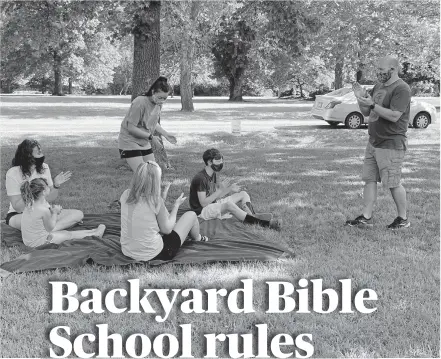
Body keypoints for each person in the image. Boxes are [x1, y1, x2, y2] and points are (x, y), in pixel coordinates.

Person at [346, 55, 411, 230]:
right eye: (378, 70)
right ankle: (366, 217)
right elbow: (367, 112)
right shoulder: (379, 86)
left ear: (393, 69)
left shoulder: (402, 88)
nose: (378, 73)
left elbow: (394, 115)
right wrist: (361, 98)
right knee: (369, 180)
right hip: (373, 142)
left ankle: (403, 219)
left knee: (392, 183)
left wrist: (373, 104)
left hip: (390, 143)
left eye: (381, 70)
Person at [120, 162, 208, 262]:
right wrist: (176, 206)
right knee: (191, 215)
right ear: (155, 181)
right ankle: (198, 238)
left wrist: (162, 200)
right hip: (155, 254)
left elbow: (145, 213)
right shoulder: (156, 201)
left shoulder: (125, 194)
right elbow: (167, 230)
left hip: (127, 251)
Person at [189, 148, 282, 231]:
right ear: (209, 162)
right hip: (202, 211)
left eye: (221, 161)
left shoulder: (213, 174)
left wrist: (230, 189)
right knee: (229, 205)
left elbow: (217, 196)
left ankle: (252, 216)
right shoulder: (200, 179)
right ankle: (265, 224)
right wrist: (220, 190)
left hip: (212, 204)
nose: (221, 163)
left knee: (243, 194)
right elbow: (203, 203)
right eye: (218, 161)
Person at [5, 139, 84, 230]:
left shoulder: (44, 167)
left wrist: (56, 185)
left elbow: (50, 198)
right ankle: (53, 227)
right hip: (20, 215)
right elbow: (18, 208)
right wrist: (31, 189)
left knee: (78, 214)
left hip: (45, 211)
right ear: (28, 156)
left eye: (41, 152)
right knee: (37, 221)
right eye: (38, 153)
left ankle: (49, 230)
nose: (41, 154)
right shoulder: (13, 173)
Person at [20, 178, 106, 247]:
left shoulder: (30, 204)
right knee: (67, 235)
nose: (49, 187)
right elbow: (50, 228)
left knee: (66, 233)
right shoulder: (43, 210)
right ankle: (95, 234)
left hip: (29, 240)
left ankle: (92, 231)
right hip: (38, 242)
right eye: (47, 186)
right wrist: (55, 213)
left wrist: (53, 210)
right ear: (43, 192)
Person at [118, 76, 177, 172]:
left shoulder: (157, 105)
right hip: (129, 141)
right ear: (153, 92)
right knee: (142, 175)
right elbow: (131, 128)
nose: (162, 101)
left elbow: (151, 123)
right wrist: (151, 137)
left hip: (143, 141)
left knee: (153, 172)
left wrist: (166, 134)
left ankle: (153, 187)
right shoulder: (140, 102)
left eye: (164, 98)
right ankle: (137, 187)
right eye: (160, 97)